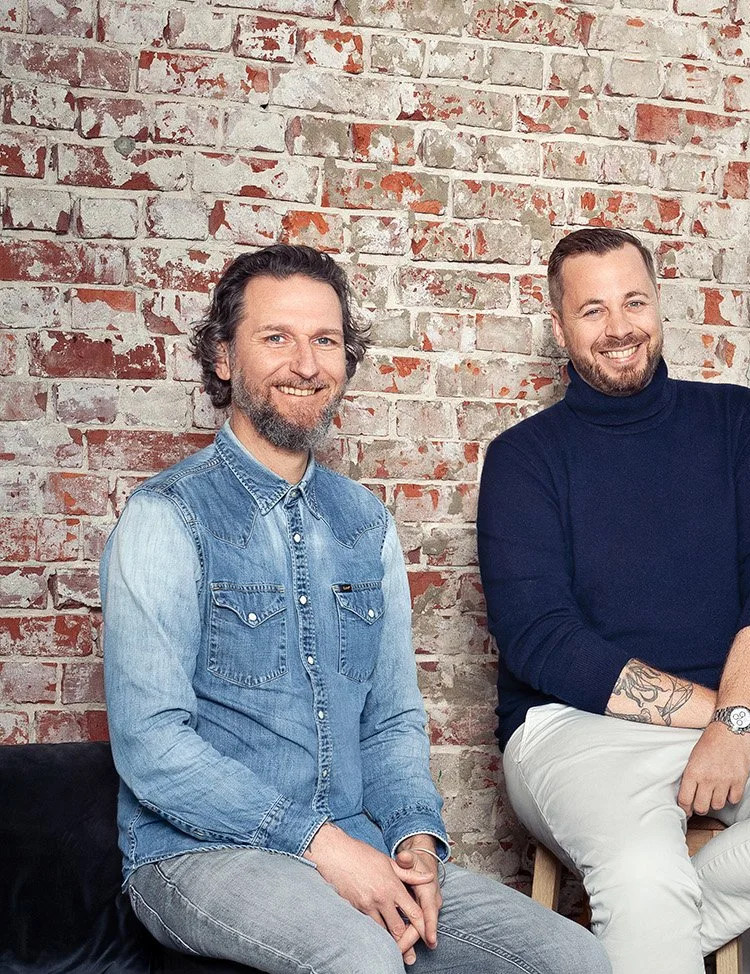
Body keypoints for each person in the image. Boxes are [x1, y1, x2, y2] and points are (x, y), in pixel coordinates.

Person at [102, 244, 609, 974]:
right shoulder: (167, 517)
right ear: (223, 357)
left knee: (571, 959)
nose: (306, 364)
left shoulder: (365, 524)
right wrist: (325, 848)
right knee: (362, 956)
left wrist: (413, 840)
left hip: (356, 839)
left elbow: (391, 718)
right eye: (276, 337)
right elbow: (152, 746)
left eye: (326, 340)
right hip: (196, 853)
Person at [477, 227, 750, 974]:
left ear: (658, 304)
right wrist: (724, 714)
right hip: (572, 726)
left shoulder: (739, 420)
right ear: (559, 325)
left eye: (634, 301)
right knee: (642, 873)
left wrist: (736, 716)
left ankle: (615, 948)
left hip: (737, 707)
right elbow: (541, 639)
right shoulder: (522, 458)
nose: (619, 327)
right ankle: (643, 925)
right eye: (592, 310)